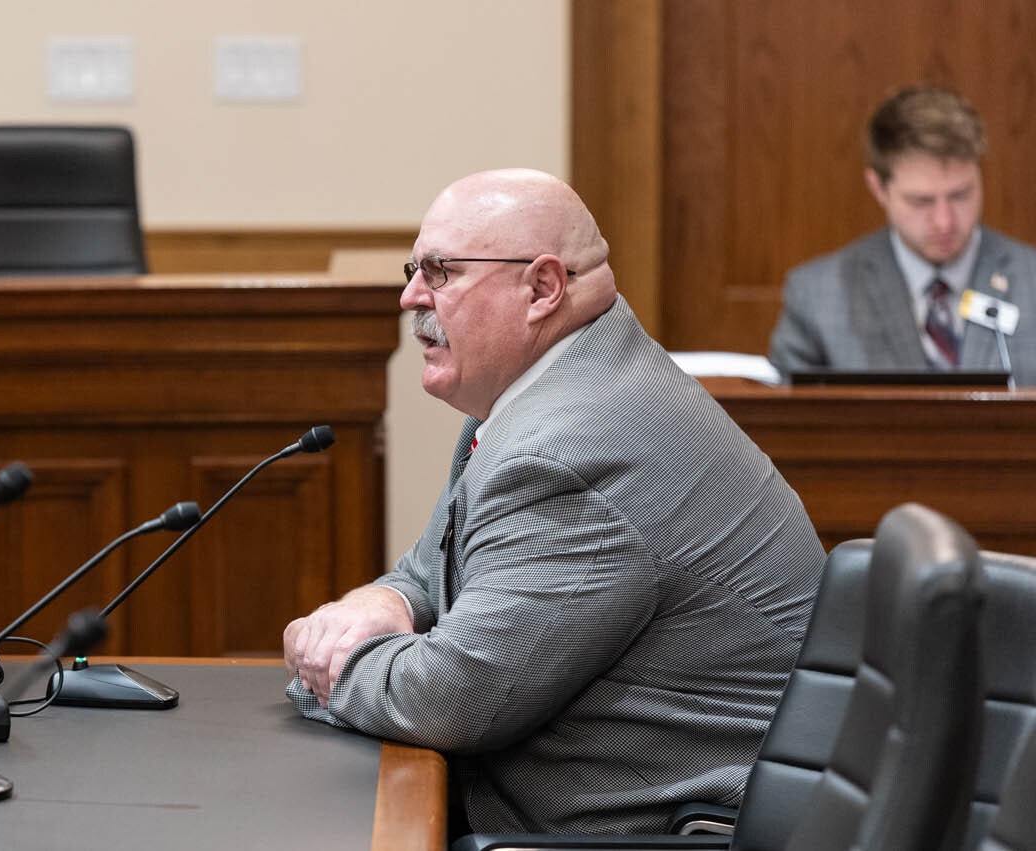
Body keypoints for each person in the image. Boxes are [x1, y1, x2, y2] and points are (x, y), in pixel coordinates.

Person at [282, 169, 826, 835]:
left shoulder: (568, 451)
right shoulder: (556, 383)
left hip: (654, 832)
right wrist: (381, 603)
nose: (410, 296)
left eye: (440, 272)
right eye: (414, 269)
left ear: (542, 288)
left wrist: (331, 665)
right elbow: (437, 565)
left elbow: (452, 697)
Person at [768, 84, 1036, 384]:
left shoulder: (1032, 279)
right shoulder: (817, 296)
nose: (944, 221)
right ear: (879, 188)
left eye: (960, 195)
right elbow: (789, 424)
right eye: (921, 201)